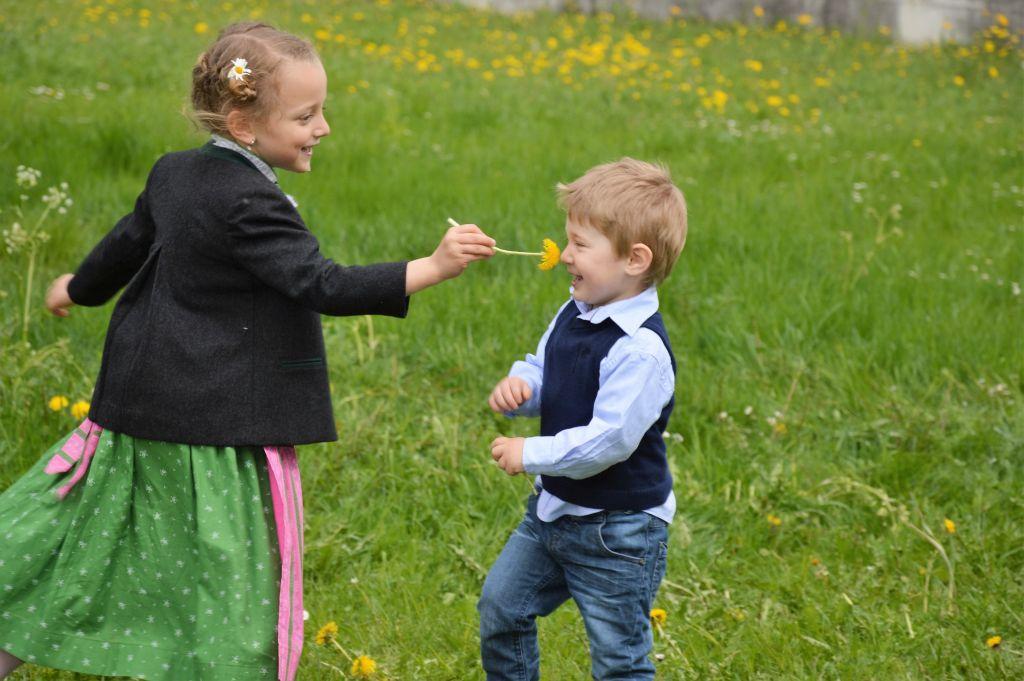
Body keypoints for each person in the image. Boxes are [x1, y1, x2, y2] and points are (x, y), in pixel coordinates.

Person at [0, 22, 494, 681]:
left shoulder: (174, 173)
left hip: (136, 409)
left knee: (88, 535)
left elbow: (125, 242)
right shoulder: (252, 202)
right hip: (216, 428)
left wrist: (75, 288)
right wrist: (431, 267)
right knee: (225, 571)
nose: (323, 128)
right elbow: (321, 283)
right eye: (306, 116)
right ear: (243, 124)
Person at [478, 158, 687, 680]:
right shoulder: (575, 310)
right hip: (554, 513)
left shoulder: (640, 351)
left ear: (634, 259)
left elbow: (607, 441)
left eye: (580, 244)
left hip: (619, 531)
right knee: (502, 610)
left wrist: (531, 452)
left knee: (619, 659)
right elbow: (545, 366)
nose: (565, 254)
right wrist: (523, 388)